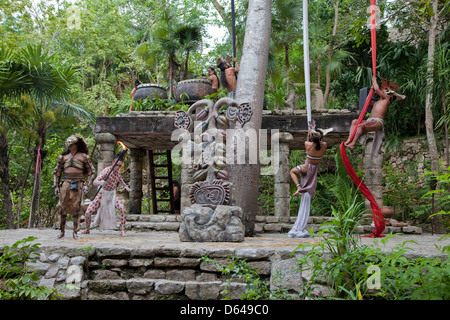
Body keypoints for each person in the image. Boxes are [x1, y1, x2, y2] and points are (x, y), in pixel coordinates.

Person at [288, 122, 332, 238]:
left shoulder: (308, 144)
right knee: (305, 202)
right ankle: (299, 229)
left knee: (292, 171)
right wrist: (315, 133)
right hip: (313, 172)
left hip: (307, 168)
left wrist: (310, 130)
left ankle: (299, 186)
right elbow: (320, 141)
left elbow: (309, 139)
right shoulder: (324, 146)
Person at [344, 76, 405, 155]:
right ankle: (349, 140)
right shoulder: (376, 102)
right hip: (370, 120)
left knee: (360, 126)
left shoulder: (387, 99)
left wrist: (374, 80)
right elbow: (367, 102)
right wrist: (371, 91)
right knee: (355, 122)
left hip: (377, 121)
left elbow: (377, 89)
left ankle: (353, 144)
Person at [53, 135, 94, 239]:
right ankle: (61, 231)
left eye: (72, 145)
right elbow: (57, 171)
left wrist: (86, 185)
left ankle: (75, 232)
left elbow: (90, 171)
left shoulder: (83, 156)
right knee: (62, 207)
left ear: (76, 145)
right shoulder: (64, 157)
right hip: (66, 182)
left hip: (78, 182)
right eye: (69, 145)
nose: (70, 147)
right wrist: (56, 186)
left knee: (76, 208)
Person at [80, 157, 131, 237]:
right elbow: (95, 182)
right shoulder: (106, 171)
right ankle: (87, 229)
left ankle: (123, 230)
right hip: (102, 193)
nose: (118, 167)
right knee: (88, 212)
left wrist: (125, 186)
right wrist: (100, 182)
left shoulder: (118, 172)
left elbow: (120, 179)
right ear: (113, 163)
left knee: (123, 209)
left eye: (120, 165)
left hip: (112, 194)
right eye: (116, 165)